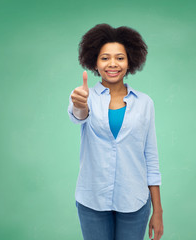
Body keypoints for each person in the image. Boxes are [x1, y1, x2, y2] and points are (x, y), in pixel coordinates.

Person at [67, 23, 163, 240]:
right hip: (92, 200)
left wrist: (158, 210)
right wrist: (80, 104)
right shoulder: (84, 96)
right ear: (95, 62)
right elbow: (79, 114)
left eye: (120, 58)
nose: (112, 64)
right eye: (105, 58)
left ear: (130, 62)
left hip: (135, 201)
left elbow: (151, 158)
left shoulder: (145, 103)